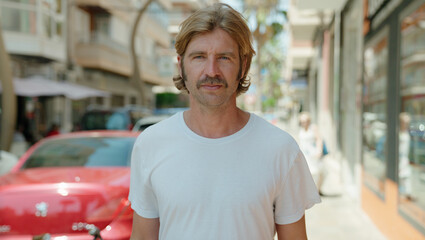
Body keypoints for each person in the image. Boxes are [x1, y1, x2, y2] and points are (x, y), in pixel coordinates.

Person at [129, 3, 321, 239]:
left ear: (244, 65)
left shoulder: (280, 149)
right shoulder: (150, 144)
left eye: (224, 58)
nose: (211, 70)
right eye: (199, 57)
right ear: (181, 65)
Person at [298, 112, 325, 194]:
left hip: (314, 153)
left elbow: (319, 139)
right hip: (305, 154)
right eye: (302, 121)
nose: (303, 123)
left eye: (305, 121)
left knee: (318, 172)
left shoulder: (313, 128)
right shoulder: (301, 129)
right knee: (309, 172)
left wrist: (319, 150)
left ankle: (317, 189)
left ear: (309, 121)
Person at [398, 112, 414, 201]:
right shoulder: (399, 134)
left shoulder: (406, 133)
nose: (406, 125)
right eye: (404, 122)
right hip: (399, 159)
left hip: (404, 159)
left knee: (406, 176)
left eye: (407, 123)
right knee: (401, 177)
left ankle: (408, 193)